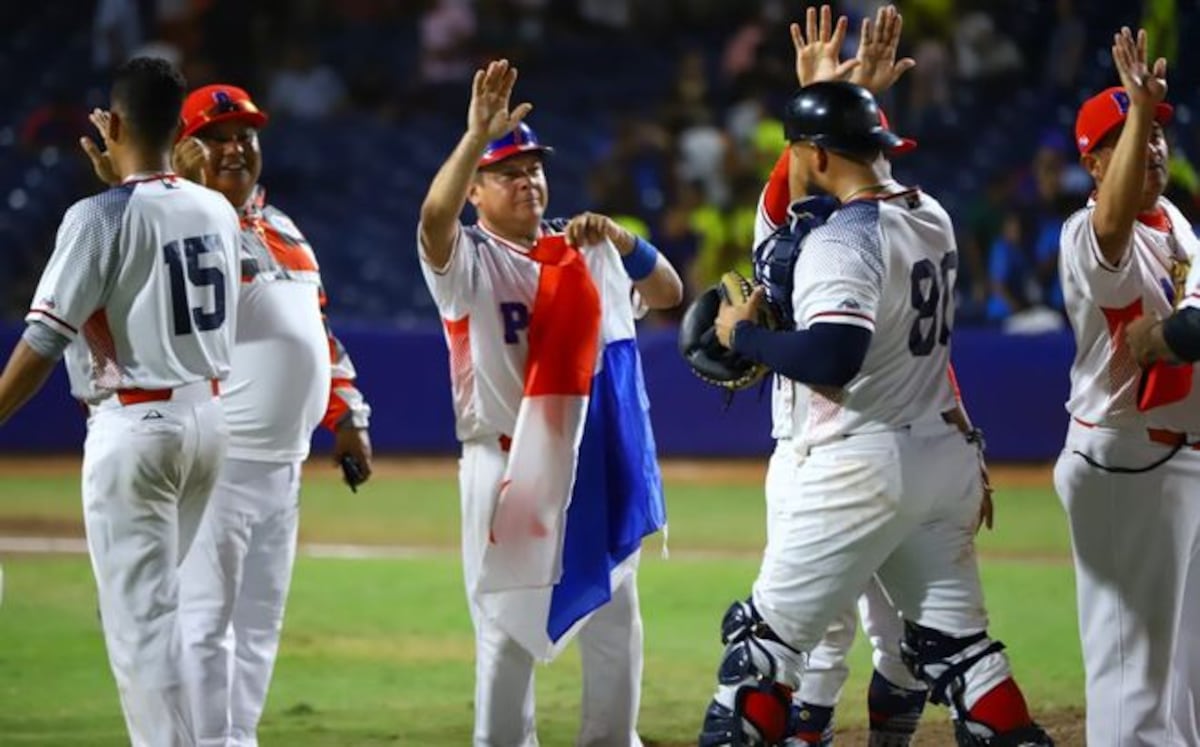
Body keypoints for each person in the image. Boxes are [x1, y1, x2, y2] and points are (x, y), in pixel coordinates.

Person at [695, 41, 1050, 747]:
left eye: (801, 151)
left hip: (857, 459)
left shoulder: (842, 237)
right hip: (937, 451)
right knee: (964, 656)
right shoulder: (932, 214)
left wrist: (743, 338)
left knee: (758, 656)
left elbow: (833, 356)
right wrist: (841, 92)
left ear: (817, 156)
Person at [417, 59, 683, 745]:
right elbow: (433, 219)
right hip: (504, 467)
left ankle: (610, 739)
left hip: (584, 465)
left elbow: (668, 295)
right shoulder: (468, 261)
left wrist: (623, 241)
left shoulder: (580, 250)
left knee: (617, 613)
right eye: (508, 171)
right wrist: (476, 136)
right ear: (477, 190)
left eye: (533, 167)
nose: (528, 178)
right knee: (506, 627)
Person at [0, 57, 241, 745]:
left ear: (112, 123)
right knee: (164, 611)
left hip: (137, 421)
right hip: (207, 418)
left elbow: (44, 339)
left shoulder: (97, 217)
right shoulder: (216, 206)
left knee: (143, 627)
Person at [173, 84, 373, 747]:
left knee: (258, 622)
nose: (236, 148)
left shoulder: (284, 228)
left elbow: (319, 336)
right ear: (184, 148)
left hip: (283, 466)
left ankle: (237, 735)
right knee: (205, 620)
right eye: (218, 135)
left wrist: (347, 415)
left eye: (246, 135)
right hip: (215, 458)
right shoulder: (173, 224)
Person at [1053, 26, 1200, 746]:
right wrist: (1141, 105)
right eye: (1128, 134)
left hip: (1183, 458)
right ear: (1092, 161)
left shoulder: (1175, 220)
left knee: (1185, 677)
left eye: (1157, 130)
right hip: (1124, 460)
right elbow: (1112, 225)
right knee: (1133, 680)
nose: (1151, 146)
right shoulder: (1088, 233)